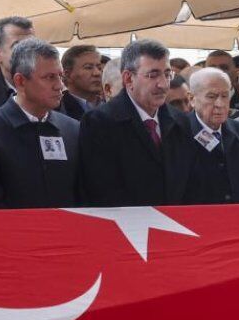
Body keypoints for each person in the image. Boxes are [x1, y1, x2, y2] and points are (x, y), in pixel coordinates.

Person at [78, 38, 190, 206]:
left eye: (167, 74)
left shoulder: (180, 121)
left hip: (176, 225)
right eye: (152, 75)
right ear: (128, 79)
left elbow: (187, 182)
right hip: (126, 226)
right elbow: (100, 189)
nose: (163, 84)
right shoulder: (99, 122)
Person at [0, 38, 80, 208]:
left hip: (66, 230)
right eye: (49, 77)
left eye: (60, 76)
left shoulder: (73, 129)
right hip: (13, 230)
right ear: (21, 81)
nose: (59, 85)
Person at [180, 68, 239, 203]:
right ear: (192, 99)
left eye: (225, 96)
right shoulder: (178, 136)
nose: (220, 104)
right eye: (211, 97)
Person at [59, 44, 104, 119]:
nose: (97, 73)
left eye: (99, 68)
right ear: (67, 74)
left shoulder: (112, 106)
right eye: (88, 68)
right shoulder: (57, 108)